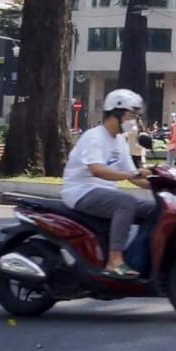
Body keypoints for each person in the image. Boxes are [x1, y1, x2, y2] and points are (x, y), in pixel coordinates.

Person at [63, 88, 156, 279]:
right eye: (131, 115)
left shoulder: (120, 141)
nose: (134, 121)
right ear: (116, 113)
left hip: (103, 192)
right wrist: (133, 173)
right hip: (81, 191)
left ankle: (141, 259)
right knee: (126, 202)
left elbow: (134, 176)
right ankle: (114, 261)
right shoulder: (94, 136)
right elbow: (97, 170)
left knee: (155, 209)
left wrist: (161, 184)